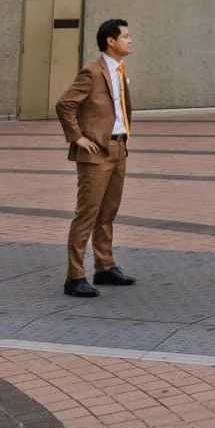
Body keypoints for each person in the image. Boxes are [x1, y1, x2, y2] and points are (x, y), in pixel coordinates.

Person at [55, 18, 138, 297]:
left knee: (107, 212)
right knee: (87, 214)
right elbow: (65, 104)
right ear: (110, 41)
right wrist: (77, 136)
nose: (130, 40)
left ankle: (104, 266)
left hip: (118, 149)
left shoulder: (120, 71)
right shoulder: (92, 72)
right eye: (125, 36)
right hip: (96, 154)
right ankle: (74, 276)